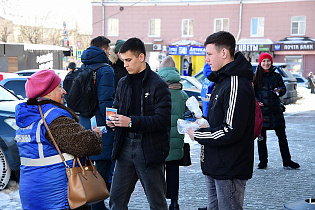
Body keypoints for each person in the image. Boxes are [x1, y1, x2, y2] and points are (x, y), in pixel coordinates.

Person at [15, 69, 103, 210]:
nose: (64, 91)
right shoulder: (54, 117)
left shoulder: (27, 117)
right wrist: (95, 136)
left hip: (33, 194)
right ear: (47, 92)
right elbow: (84, 145)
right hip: (58, 195)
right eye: (59, 87)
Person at [187, 31, 255, 209]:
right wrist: (203, 123)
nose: (206, 60)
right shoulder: (222, 80)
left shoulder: (235, 83)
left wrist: (199, 135)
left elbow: (230, 129)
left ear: (224, 53)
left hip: (229, 168)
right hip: (215, 164)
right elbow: (219, 120)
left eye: (209, 54)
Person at [106, 37, 171, 210]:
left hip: (149, 149)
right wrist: (112, 121)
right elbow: (116, 108)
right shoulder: (123, 83)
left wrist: (131, 122)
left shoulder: (159, 84)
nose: (125, 65)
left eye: (129, 60)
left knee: (157, 202)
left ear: (141, 57)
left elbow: (162, 119)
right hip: (125, 146)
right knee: (116, 202)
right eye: (123, 61)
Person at [81, 36, 115, 210]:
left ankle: (90, 201)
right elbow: (106, 101)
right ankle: (98, 205)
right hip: (102, 126)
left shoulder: (83, 66)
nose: (110, 52)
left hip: (84, 123)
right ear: (104, 49)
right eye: (109, 49)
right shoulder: (106, 70)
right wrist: (112, 122)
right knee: (103, 167)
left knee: (87, 167)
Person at [253, 53, 300, 169]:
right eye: (263, 61)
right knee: (261, 139)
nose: (266, 63)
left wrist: (279, 91)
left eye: (268, 61)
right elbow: (252, 93)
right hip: (263, 112)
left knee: (282, 137)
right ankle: (263, 161)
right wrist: (257, 101)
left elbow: (283, 89)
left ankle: (287, 160)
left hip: (275, 111)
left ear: (271, 62)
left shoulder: (277, 76)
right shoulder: (256, 76)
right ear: (260, 63)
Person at [158, 55, 188, 210]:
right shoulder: (183, 94)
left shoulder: (159, 92)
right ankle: (174, 202)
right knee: (173, 171)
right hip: (177, 141)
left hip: (160, 140)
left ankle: (160, 201)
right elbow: (188, 116)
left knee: (158, 172)